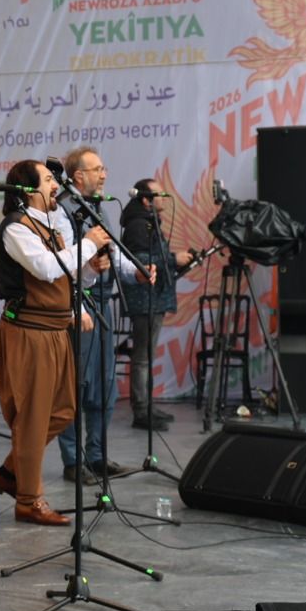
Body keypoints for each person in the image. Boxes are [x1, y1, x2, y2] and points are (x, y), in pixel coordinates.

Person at [0, 160, 141, 525]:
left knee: (63, 411)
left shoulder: (53, 227)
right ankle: (28, 499)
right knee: (32, 418)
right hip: (29, 332)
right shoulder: (16, 228)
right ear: (27, 190)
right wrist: (88, 244)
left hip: (56, 330)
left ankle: (11, 472)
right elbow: (44, 269)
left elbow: (66, 279)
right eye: (47, 179)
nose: (55, 185)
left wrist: (89, 270)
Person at [55, 146, 125, 481]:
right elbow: (64, 265)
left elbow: (111, 253)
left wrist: (135, 271)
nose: (104, 174)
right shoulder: (64, 212)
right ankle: (73, 461)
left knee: (104, 386)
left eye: (103, 167)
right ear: (78, 176)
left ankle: (97, 456)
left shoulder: (98, 208)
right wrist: (77, 305)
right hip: (79, 306)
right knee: (76, 387)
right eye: (97, 168)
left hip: (103, 304)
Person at [121, 180, 196, 430]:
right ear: (146, 199)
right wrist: (174, 259)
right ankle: (141, 411)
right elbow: (139, 260)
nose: (164, 197)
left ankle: (147, 406)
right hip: (145, 299)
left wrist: (178, 262)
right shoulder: (138, 226)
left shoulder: (149, 223)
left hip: (153, 298)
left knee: (147, 356)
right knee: (142, 357)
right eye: (159, 194)